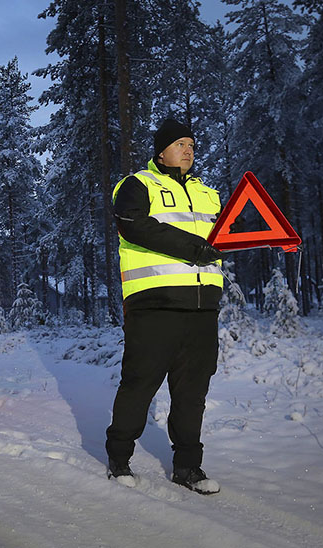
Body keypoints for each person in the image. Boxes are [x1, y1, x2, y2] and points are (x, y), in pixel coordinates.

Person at [105, 118, 225, 495]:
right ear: (161, 149)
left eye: (191, 143)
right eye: (179, 143)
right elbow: (133, 225)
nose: (188, 149)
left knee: (193, 393)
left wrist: (275, 237)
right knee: (140, 385)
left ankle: (188, 468)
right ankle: (119, 458)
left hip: (203, 308)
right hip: (154, 307)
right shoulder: (137, 184)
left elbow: (230, 236)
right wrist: (194, 248)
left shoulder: (210, 194)